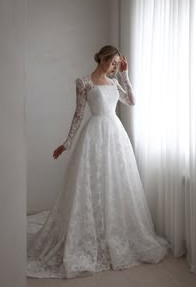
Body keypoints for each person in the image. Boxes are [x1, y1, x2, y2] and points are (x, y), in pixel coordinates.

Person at [26, 45, 168, 279]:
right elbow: (79, 113)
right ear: (102, 58)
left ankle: (112, 231)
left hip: (116, 136)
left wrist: (125, 74)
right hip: (93, 136)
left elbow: (131, 101)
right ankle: (89, 233)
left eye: (116, 64)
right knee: (91, 185)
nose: (114, 67)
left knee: (116, 184)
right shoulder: (84, 83)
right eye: (112, 63)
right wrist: (67, 143)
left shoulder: (114, 82)